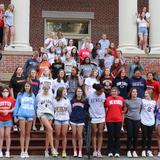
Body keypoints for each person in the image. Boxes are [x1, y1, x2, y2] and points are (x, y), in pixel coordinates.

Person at [13, 82, 36, 158]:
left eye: (28, 86)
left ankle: (26, 151)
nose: (27, 87)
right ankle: (22, 151)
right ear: (24, 87)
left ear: (30, 87)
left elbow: (34, 106)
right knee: (22, 133)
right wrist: (15, 116)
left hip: (30, 116)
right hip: (21, 115)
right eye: (26, 86)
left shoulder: (33, 95)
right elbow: (17, 105)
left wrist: (34, 115)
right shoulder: (20, 94)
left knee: (28, 133)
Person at [36, 84, 57, 157]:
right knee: (50, 129)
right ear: (42, 88)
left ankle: (46, 151)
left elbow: (54, 105)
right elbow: (36, 104)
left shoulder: (52, 95)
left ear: (49, 88)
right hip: (42, 113)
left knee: (48, 133)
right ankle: (53, 148)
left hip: (50, 113)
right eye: (44, 88)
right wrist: (38, 114)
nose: (45, 89)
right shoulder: (39, 95)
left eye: (47, 88)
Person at [86, 84, 105, 158]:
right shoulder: (90, 95)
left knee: (100, 133)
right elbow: (87, 105)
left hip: (101, 115)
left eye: (102, 91)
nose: (101, 92)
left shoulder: (103, 94)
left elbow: (103, 104)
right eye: (100, 91)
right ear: (97, 90)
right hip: (93, 116)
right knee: (94, 133)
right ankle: (94, 150)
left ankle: (99, 151)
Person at [105, 87, 124, 157]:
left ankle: (117, 152)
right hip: (109, 120)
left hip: (118, 120)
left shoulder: (121, 99)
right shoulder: (107, 99)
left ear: (118, 92)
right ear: (110, 92)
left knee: (117, 136)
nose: (114, 92)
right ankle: (110, 151)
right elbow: (106, 110)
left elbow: (123, 109)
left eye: (115, 91)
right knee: (110, 136)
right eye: (112, 91)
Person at [53, 87, 72, 158]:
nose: (65, 93)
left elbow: (69, 111)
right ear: (60, 92)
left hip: (65, 119)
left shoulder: (67, 100)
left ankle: (64, 151)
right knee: (57, 135)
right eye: (64, 91)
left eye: (65, 91)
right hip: (57, 119)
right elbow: (53, 109)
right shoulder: (55, 100)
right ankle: (55, 150)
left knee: (64, 135)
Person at [125, 88, 142, 158]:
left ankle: (134, 151)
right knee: (129, 135)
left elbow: (140, 109)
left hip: (137, 119)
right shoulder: (127, 101)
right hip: (129, 119)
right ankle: (128, 150)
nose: (135, 93)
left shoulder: (140, 100)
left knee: (136, 136)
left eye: (136, 92)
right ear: (131, 93)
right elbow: (125, 110)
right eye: (133, 92)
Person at [70, 87, 86, 158]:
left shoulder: (85, 101)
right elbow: (70, 110)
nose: (79, 92)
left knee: (80, 135)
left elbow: (86, 110)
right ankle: (74, 151)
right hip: (73, 119)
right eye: (78, 91)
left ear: (82, 93)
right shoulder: (72, 101)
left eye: (80, 91)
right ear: (76, 93)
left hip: (81, 120)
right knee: (74, 135)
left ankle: (80, 151)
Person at [0, 87, 15, 158]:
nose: (5, 92)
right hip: (0, 120)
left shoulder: (11, 99)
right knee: (1, 136)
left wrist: (8, 111)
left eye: (6, 91)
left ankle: (7, 151)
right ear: (1, 92)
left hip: (8, 120)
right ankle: (0, 151)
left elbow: (13, 108)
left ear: (9, 92)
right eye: (4, 91)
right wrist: (2, 111)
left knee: (7, 135)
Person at [141, 90, 156, 157]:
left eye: (146, 93)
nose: (145, 94)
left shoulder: (154, 102)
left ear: (150, 94)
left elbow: (155, 111)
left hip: (151, 121)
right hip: (143, 120)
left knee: (150, 137)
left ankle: (149, 150)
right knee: (144, 136)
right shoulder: (142, 101)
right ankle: (143, 150)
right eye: (145, 93)